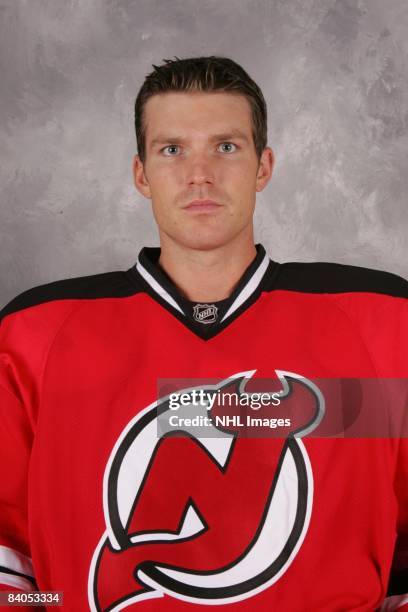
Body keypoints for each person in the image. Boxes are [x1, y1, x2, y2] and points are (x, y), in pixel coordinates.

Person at [0, 55, 407, 611]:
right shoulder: (36, 333)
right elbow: (9, 556)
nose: (200, 175)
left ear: (263, 167)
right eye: (172, 150)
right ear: (141, 173)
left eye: (226, 147)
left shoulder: (378, 321)